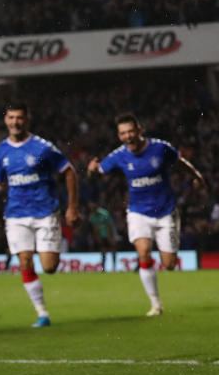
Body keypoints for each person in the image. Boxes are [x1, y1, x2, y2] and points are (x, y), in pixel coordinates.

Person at [87, 113, 205, 316]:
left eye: (131, 131)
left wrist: (196, 175)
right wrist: (90, 171)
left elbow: (180, 162)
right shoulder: (118, 156)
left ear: (139, 130)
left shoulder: (160, 148)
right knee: (143, 252)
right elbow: (96, 174)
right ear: (119, 135)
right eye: (123, 133)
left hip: (166, 212)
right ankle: (155, 304)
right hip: (138, 212)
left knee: (169, 264)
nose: (128, 136)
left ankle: (160, 275)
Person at [0, 102, 80, 328]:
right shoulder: (0, 151)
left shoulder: (43, 147)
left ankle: (43, 304)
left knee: (49, 267)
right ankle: (42, 313)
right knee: (24, 261)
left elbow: (69, 171)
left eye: (20, 118)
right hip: (16, 214)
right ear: (6, 120)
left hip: (44, 212)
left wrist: (72, 207)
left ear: (27, 120)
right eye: (11, 117)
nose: (15, 122)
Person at [87, 202, 118, 271]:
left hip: (109, 234)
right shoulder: (92, 216)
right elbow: (94, 228)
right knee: (103, 251)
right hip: (101, 235)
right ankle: (103, 268)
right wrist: (98, 238)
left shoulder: (104, 214)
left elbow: (109, 226)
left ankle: (114, 267)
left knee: (113, 250)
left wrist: (111, 237)